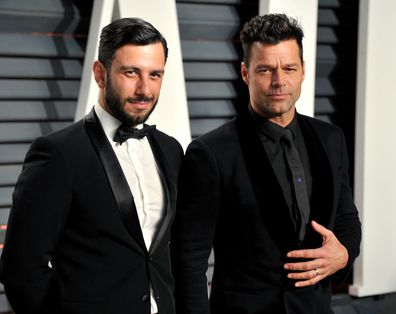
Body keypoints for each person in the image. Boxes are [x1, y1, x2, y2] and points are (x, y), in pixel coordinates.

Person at [171, 13, 361, 314]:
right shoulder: (210, 153)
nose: (278, 81)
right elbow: (189, 259)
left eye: (289, 68)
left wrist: (345, 253)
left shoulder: (331, 139)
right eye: (265, 70)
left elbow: (347, 218)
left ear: (303, 71)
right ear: (245, 73)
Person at [1, 17, 183, 314]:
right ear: (100, 73)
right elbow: (21, 270)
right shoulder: (58, 154)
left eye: (155, 75)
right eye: (131, 72)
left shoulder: (171, 150)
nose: (144, 89)